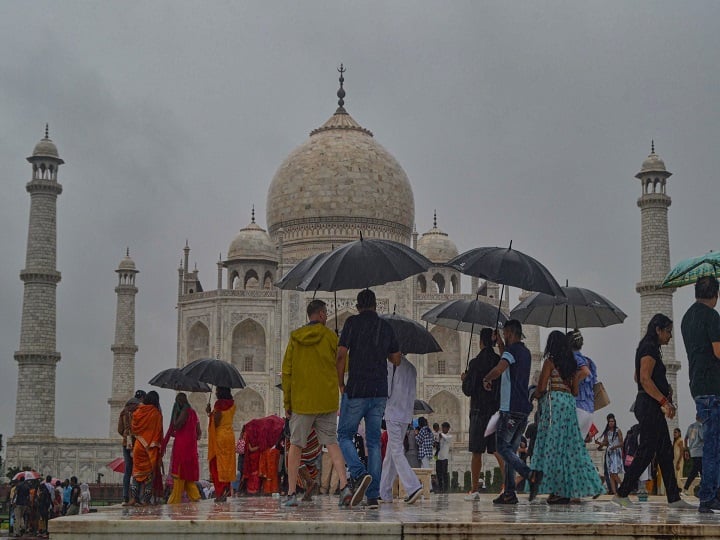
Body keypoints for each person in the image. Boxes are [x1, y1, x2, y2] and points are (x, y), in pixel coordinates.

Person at [613, 314, 694, 509]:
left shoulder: (648, 347)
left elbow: (637, 375)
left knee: (665, 451)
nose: (670, 336)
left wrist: (664, 388)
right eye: (668, 331)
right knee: (647, 450)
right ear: (658, 329)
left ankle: (673, 497)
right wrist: (664, 400)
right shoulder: (649, 347)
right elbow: (644, 378)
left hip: (649, 405)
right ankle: (622, 493)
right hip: (649, 406)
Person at [281, 299, 352, 507]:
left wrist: (287, 402)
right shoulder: (330, 336)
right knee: (332, 443)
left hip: (302, 402)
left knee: (295, 446)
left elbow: (287, 372)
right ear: (321, 315)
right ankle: (344, 486)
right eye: (325, 313)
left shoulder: (295, 337)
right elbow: (343, 365)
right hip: (326, 401)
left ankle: (292, 493)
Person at [336, 288, 401, 509]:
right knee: (373, 442)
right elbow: (396, 359)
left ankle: (359, 472)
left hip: (357, 389)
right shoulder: (385, 326)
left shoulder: (351, 323)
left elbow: (341, 355)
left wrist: (341, 383)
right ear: (376, 305)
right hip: (379, 391)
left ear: (357, 306)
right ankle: (373, 496)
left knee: (344, 434)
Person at [531, 331, 604, 503]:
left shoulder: (550, 362)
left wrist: (534, 394)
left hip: (554, 404)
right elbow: (575, 391)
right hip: (569, 403)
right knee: (572, 448)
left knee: (554, 448)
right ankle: (587, 483)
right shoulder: (571, 364)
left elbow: (541, 388)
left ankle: (558, 490)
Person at [482, 319, 540, 504]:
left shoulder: (512, 351)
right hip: (523, 410)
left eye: (505, 334)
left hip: (511, 409)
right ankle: (509, 493)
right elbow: (507, 361)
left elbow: (500, 368)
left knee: (502, 448)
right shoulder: (525, 352)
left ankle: (529, 474)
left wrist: (486, 378)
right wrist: (499, 342)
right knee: (511, 453)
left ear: (510, 333)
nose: (505, 337)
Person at [680, 276, 720, 513]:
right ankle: (709, 496)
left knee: (711, 443)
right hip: (714, 386)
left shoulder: (687, 317)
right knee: (713, 444)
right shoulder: (712, 317)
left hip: (697, 385)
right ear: (715, 295)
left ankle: (711, 492)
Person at [461, 327, 503, 499]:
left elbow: (468, 390)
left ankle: (474, 489)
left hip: (478, 411)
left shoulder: (475, 363)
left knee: (477, 452)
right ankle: (506, 485)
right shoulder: (499, 360)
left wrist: (465, 380)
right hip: (494, 410)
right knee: (497, 450)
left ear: (481, 342)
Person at [379, 354, 423, 504]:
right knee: (390, 454)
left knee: (396, 451)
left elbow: (387, 390)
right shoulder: (412, 368)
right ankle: (384, 492)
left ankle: (413, 486)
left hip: (393, 412)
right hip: (406, 414)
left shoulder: (391, 364)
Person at [164, 392, 202, 504]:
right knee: (188, 479)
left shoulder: (180, 413)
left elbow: (175, 426)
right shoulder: (194, 413)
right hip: (191, 449)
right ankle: (195, 498)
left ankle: (173, 503)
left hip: (181, 449)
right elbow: (198, 433)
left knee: (179, 479)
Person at [130, 390, 164, 506]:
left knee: (136, 473)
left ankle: (134, 498)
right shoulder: (156, 413)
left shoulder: (139, 411)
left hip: (139, 446)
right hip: (150, 448)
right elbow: (159, 432)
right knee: (149, 475)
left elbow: (134, 426)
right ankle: (146, 500)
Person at [207, 386, 236, 502]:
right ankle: (226, 489)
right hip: (229, 436)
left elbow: (217, 421)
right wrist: (211, 413)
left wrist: (211, 413)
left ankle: (220, 493)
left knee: (217, 465)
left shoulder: (219, 404)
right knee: (227, 465)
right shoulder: (233, 404)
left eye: (217, 391)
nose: (215, 392)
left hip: (219, 437)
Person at [568, 330, 597, 437]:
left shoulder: (573, 359)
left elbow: (585, 372)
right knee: (578, 447)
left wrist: (574, 382)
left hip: (577, 408)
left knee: (571, 446)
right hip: (588, 409)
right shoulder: (588, 361)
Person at [117, 393, 142, 505]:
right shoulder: (137, 412)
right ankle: (135, 496)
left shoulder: (123, 412)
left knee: (128, 470)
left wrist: (125, 435)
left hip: (126, 442)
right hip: (136, 441)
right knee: (137, 469)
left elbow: (119, 429)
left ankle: (125, 496)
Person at [595, 413, 624, 494]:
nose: (611, 423)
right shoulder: (607, 432)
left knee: (614, 473)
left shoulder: (618, 431)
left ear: (615, 422)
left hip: (616, 453)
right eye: (610, 421)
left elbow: (622, 443)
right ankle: (615, 492)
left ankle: (624, 486)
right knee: (610, 473)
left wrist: (614, 447)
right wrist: (598, 443)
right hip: (609, 454)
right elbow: (605, 442)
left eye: (612, 421)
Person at [684, 416, 703, 494]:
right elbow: (703, 437)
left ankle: (702, 488)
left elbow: (685, 438)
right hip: (700, 452)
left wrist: (686, 450)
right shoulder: (700, 426)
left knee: (701, 471)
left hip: (693, 452)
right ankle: (686, 488)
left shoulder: (690, 426)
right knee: (695, 471)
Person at [436, 422, 452, 493]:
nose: (443, 429)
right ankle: (440, 488)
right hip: (438, 457)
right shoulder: (440, 436)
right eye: (442, 428)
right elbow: (436, 444)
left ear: (448, 429)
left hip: (445, 458)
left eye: (444, 428)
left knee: (444, 474)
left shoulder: (449, 436)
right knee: (438, 474)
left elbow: (446, 438)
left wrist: (441, 435)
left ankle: (445, 488)